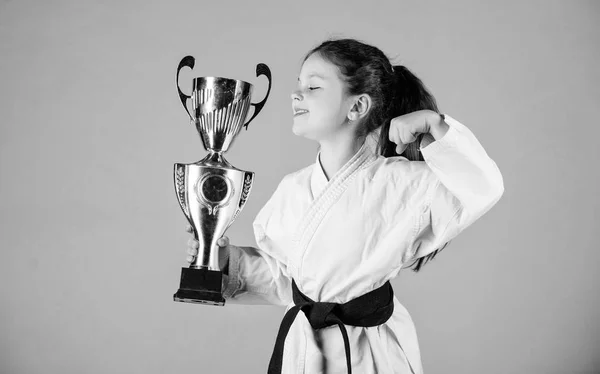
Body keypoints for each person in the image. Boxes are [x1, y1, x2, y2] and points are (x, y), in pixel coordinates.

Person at [185, 38, 504, 374]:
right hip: (306, 346)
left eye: (313, 87)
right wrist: (223, 262)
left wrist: (434, 126)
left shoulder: (405, 184)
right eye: (298, 85)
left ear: (357, 107)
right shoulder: (293, 188)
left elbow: (482, 187)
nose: (297, 94)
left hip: (370, 351)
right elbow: (293, 281)